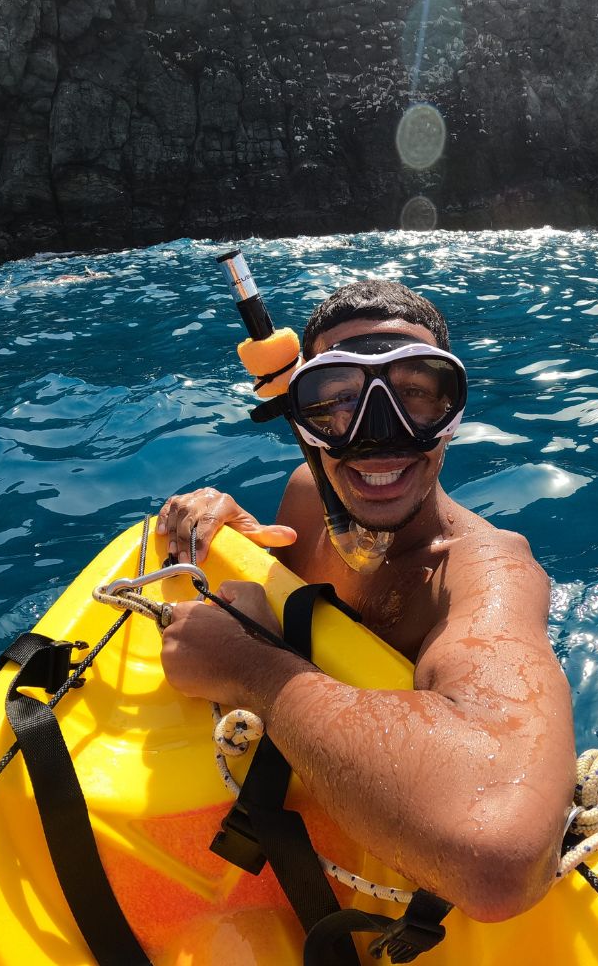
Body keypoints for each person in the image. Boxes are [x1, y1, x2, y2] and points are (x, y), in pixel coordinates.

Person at [156, 279, 575, 923]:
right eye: (339, 399)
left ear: (452, 411)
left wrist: (253, 672)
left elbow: (499, 863)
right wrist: (238, 534)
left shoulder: (489, 571)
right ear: (303, 413)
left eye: (413, 393)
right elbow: (295, 598)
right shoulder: (305, 492)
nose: (380, 435)